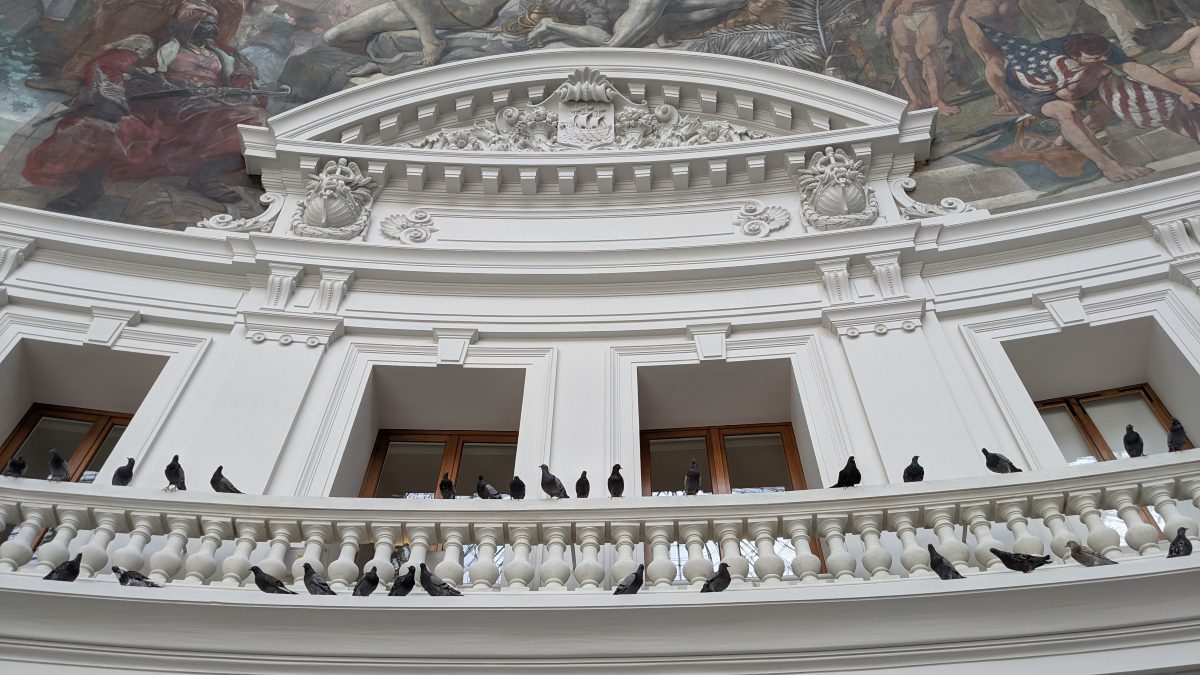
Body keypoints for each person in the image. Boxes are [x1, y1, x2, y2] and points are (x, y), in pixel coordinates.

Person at [23, 0, 269, 212]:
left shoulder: (225, 56)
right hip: (154, 110)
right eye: (203, 22)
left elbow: (247, 86)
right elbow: (107, 66)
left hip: (202, 112)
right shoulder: (153, 45)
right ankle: (88, 187)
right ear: (185, 25)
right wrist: (115, 92)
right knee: (104, 129)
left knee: (253, 121)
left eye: (212, 22)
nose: (210, 27)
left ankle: (206, 176)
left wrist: (241, 94)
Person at [979, 23, 1200, 181]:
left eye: (1105, 55)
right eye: (1096, 58)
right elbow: (1067, 95)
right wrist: (1091, 77)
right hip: (1031, 89)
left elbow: (1136, 70)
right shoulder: (1044, 61)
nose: (1104, 59)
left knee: (1120, 91)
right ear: (1076, 56)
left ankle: (1069, 139)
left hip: (1078, 77)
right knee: (1065, 111)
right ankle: (1109, 166)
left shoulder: (1099, 49)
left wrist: (1181, 91)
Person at [877, 0, 960, 115]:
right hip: (901, 14)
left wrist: (914, 3)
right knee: (904, 59)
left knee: (927, 53)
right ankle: (917, 102)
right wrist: (881, 22)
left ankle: (938, 102)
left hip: (929, 9)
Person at [949, 0, 1022, 114]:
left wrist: (952, 15)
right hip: (1007, 5)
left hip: (980, 8)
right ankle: (1023, 95)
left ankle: (1010, 105)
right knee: (1009, 52)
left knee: (990, 57)